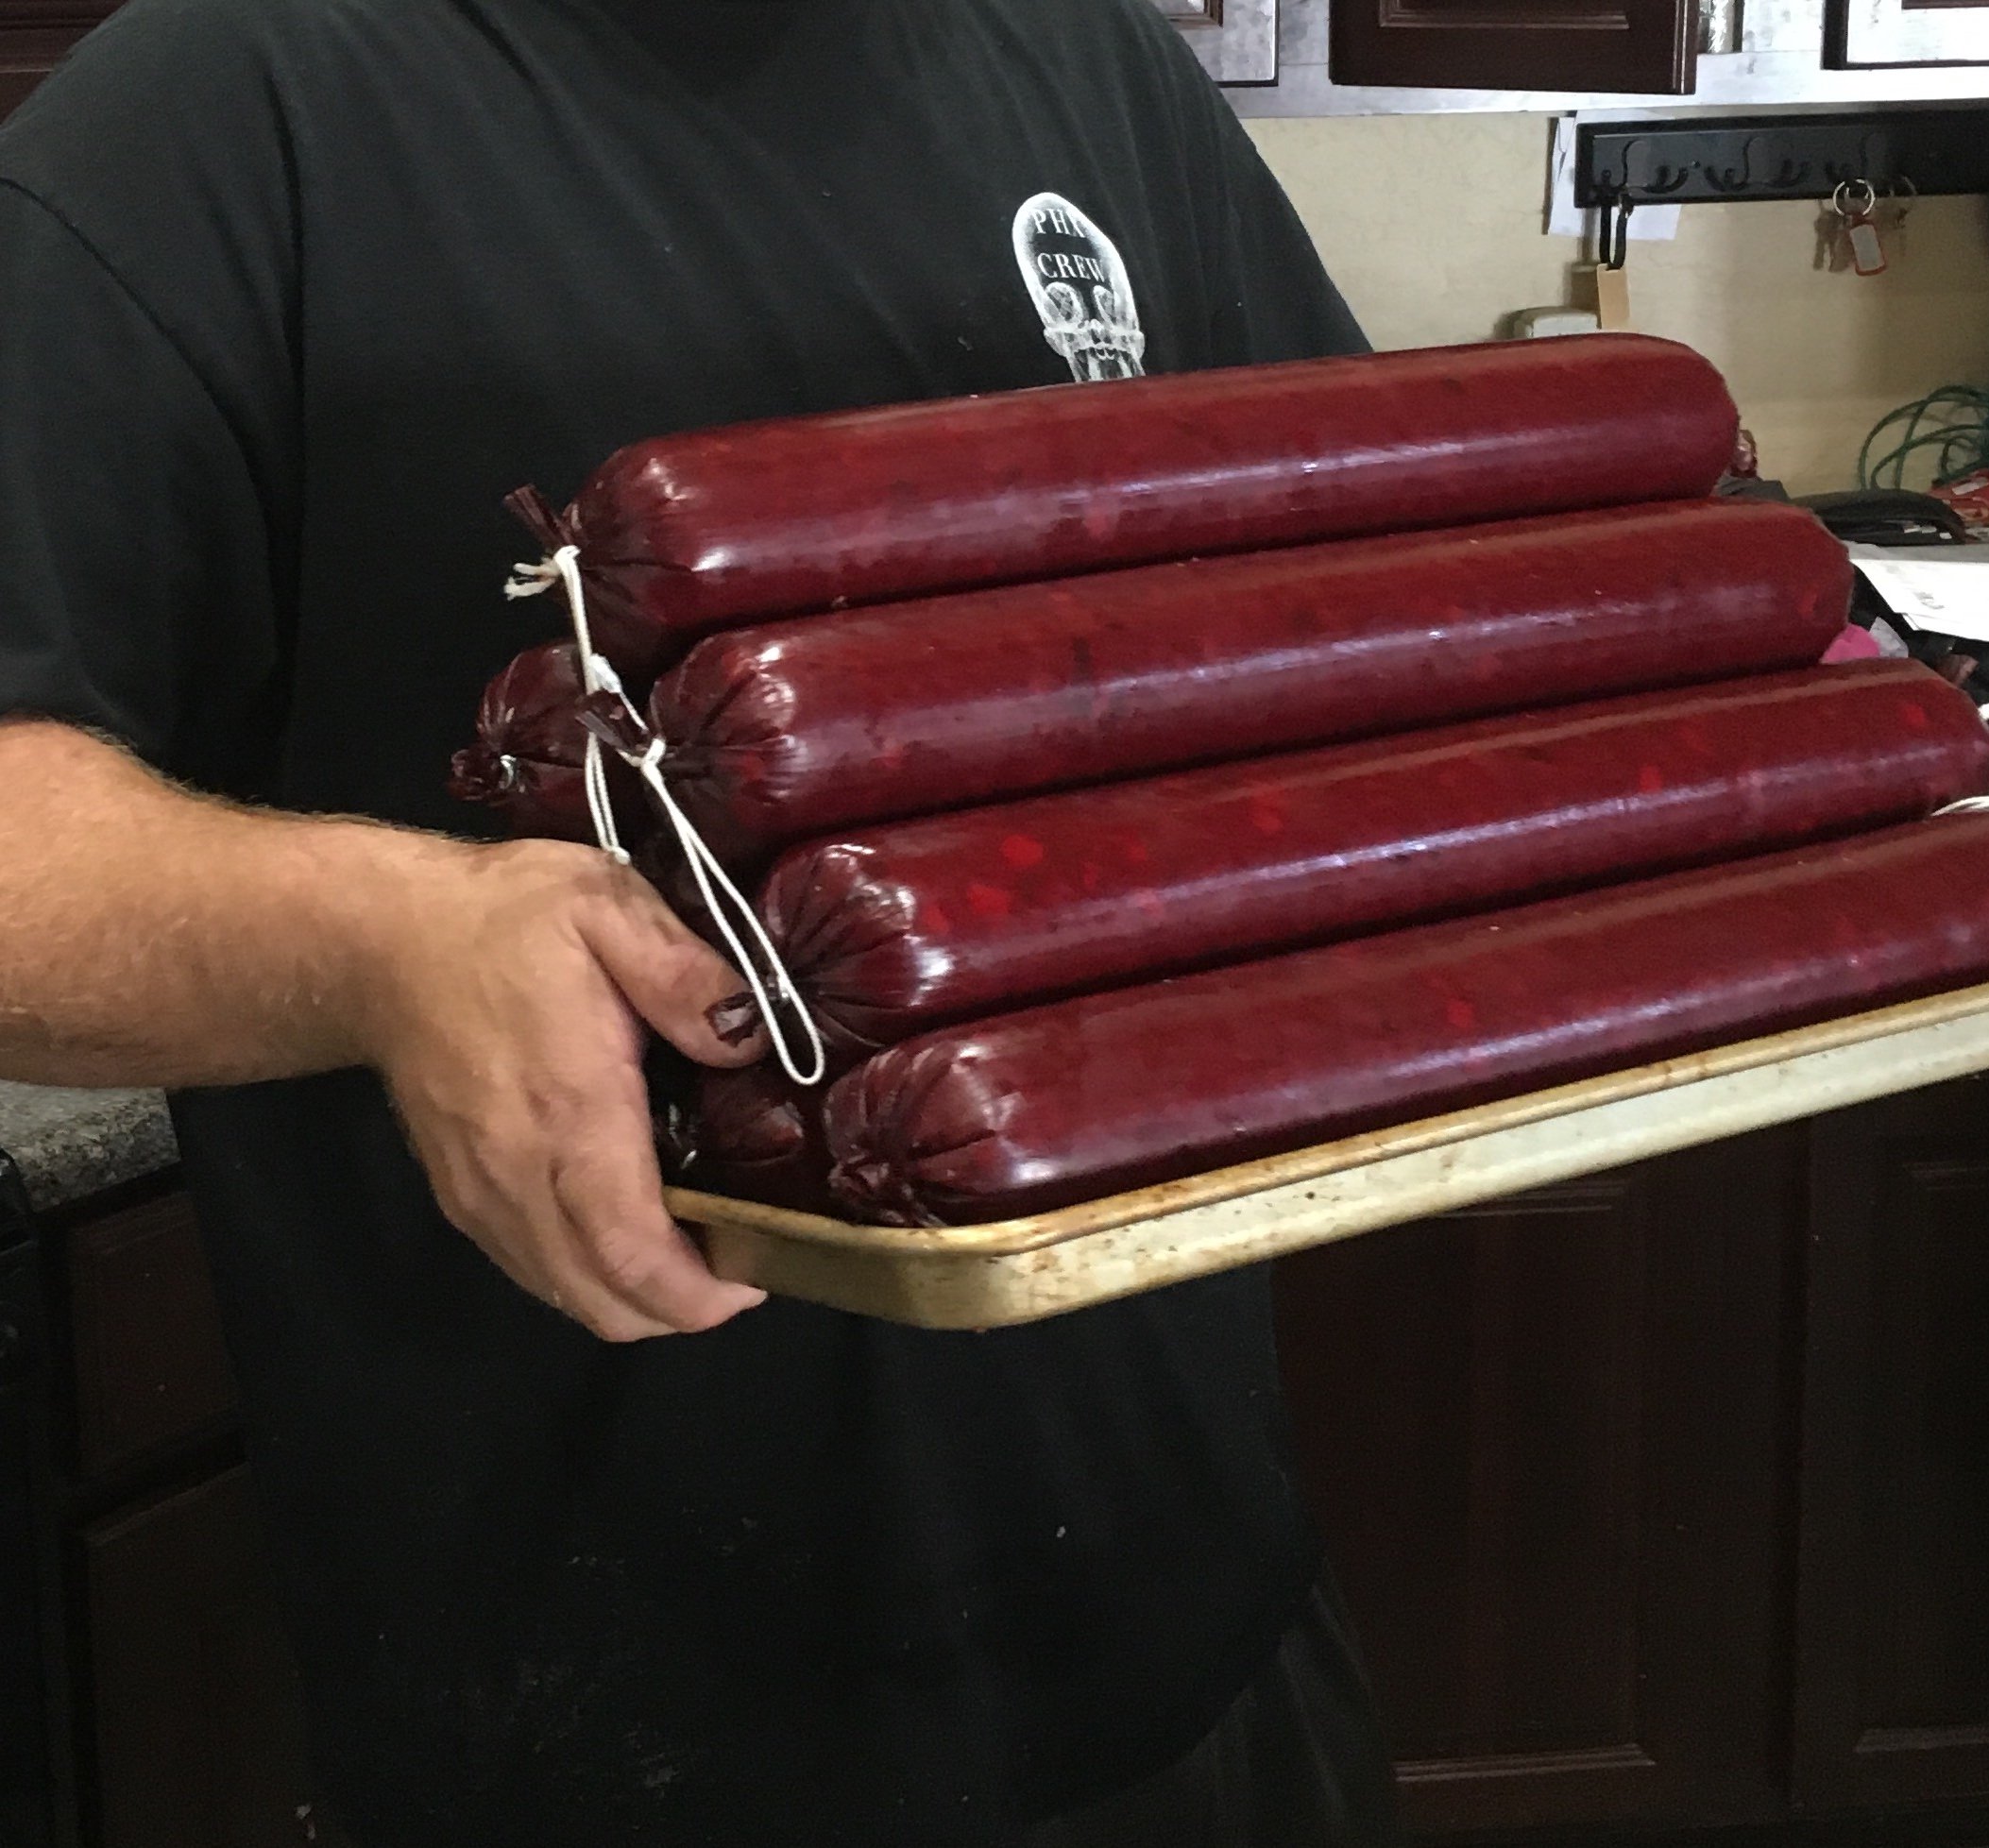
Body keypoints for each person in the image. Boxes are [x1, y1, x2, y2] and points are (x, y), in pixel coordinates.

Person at [0, 1, 1399, 1840]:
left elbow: (1343, 581)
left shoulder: (1086, 58)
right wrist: (384, 936)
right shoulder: (210, 118)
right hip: (609, 1711)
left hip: (1198, 1614)